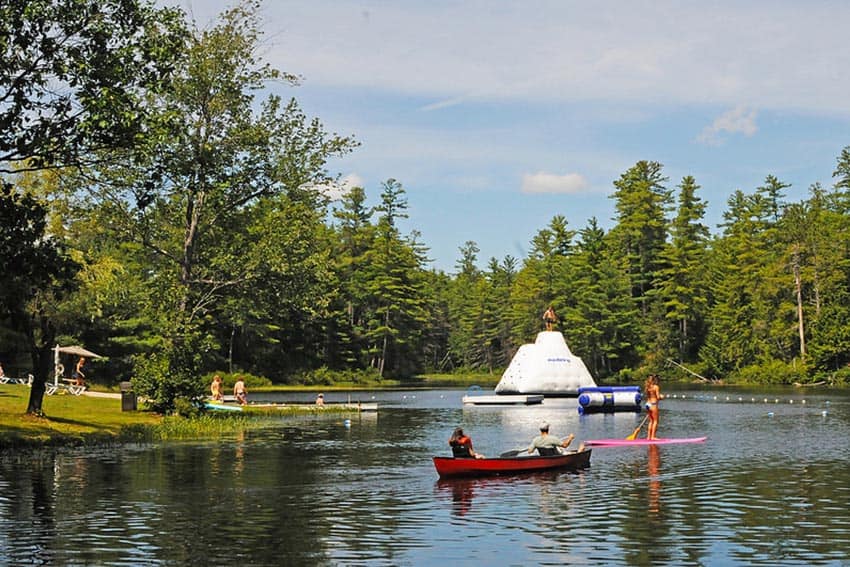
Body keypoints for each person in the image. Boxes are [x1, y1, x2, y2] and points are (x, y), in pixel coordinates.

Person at [644, 374, 663, 440]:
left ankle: (648, 437)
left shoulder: (647, 387)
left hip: (647, 404)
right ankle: (653, 437)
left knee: (651, 421)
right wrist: (662, 397)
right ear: (654, 380)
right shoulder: (656, 387)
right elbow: (658, 397)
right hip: (653, 404)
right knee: (655, 421)